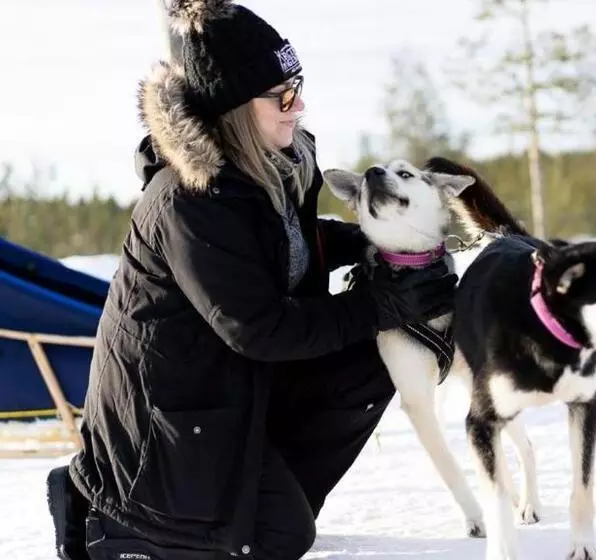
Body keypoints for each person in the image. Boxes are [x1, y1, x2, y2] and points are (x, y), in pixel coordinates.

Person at [44, 1, 457, 559]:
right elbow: (256, 326)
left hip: (238, 390)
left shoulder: (277, 162)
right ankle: (117, 523)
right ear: (234, 108)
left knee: (368, 364)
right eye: (283, 95)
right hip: (166, 427)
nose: (299, 105)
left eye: (299, 86)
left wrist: (380, 247)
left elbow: (292, 241)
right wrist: (380, 304)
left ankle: (256, 500)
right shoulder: (189, 201)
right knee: (279, 538)